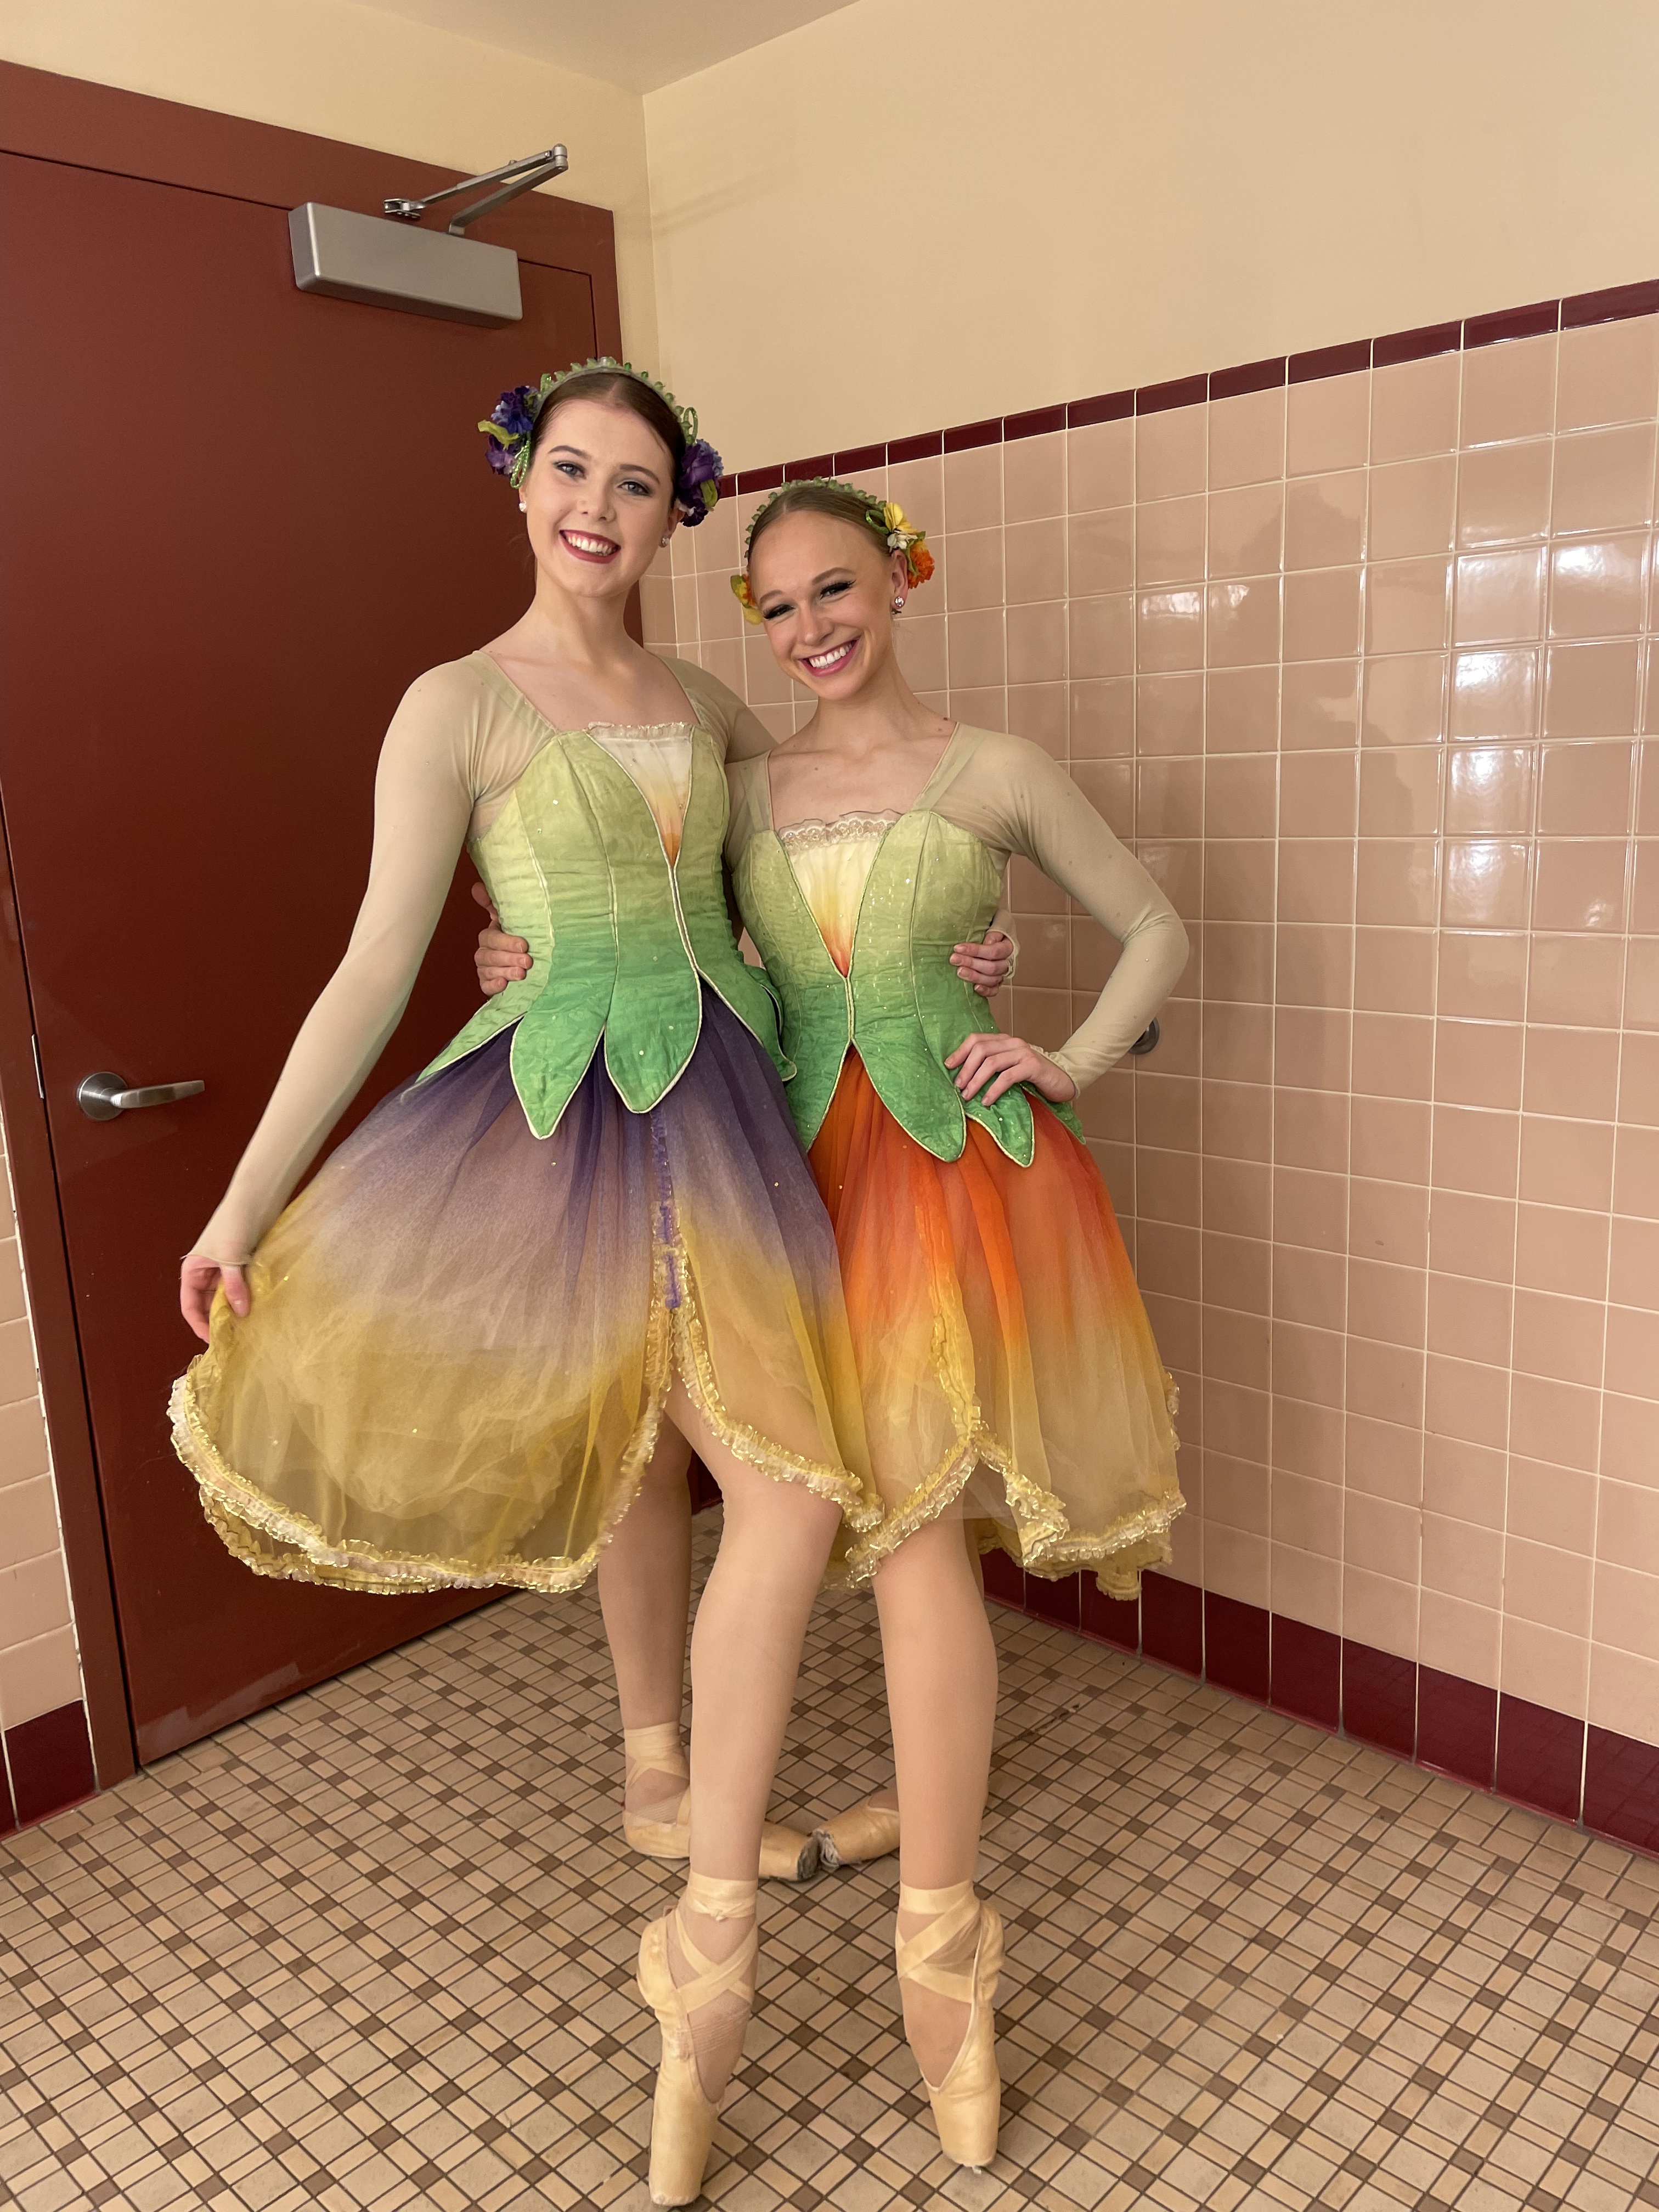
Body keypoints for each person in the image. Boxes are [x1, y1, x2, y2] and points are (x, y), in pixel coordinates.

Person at [170, 364, 929, 2205]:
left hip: (732, 1094)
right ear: (521, 486)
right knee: (693, 1462)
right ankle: (675, 1818)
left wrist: (949, 942)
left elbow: (800, 887)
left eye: (638, 484)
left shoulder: (709, 706)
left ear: (678, 515)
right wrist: (243, 1200)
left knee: (729, 1467)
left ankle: (682, 1819)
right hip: (565, 1103)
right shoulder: (454, 705)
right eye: (571, 471)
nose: (598, 508)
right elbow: (374, 964)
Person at [478, 474, 1187, 2170]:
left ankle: (939, 1956)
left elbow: (1158, 927)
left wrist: (1069, 1052)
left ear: (899, 582)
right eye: (780, 605)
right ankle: (733, 1935)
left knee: (921, 1535)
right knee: (787, 1525)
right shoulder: (741, 782)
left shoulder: (994, 768)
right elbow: (652, 917)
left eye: (837, 589)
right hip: (776, 1178)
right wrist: (529, 953)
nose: (811, 627)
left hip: (941, 1182)